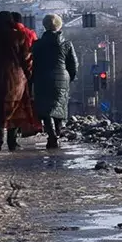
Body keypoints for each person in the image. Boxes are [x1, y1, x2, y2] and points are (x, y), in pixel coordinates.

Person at [0, 10, 40, 150]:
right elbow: (27, 58)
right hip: (16, 80)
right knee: (15, 111)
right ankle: (12, 141)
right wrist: (28, 74)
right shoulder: (19, 35)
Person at [30, 13, 79, 150]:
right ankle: (57, 131)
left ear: (45, 26)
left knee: (46, 109)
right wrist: (70, 78)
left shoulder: (37, 45)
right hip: (61, 77)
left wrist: (32, 80)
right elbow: (74, 65)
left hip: (42, 77)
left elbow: (32, 63)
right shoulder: (67, 44)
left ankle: (51, 135)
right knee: (59, 106)